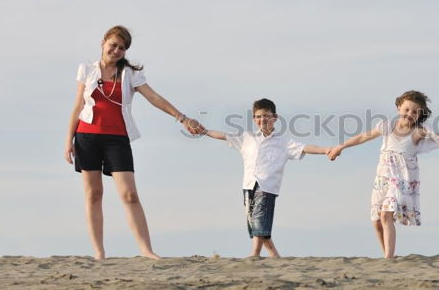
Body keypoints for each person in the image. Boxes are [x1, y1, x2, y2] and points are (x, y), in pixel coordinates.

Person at [64, 25, 201, 260]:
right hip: (87, 136)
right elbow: (78, 106)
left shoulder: (130, 74)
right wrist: (69, 140)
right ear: (103, 43)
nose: (116, 50)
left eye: (122, 48)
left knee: (129, 194)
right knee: (93, 194)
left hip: (117, 138)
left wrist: (182, 118)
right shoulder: (86, 70)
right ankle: (99, 252)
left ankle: (146, 250)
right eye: (113, 45)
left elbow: (153, 97)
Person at [328, 91, 439, 259]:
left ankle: (388, 258)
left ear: (420, 114)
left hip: (402, 179)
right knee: (377, 220)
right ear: (399, 108)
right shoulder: (387, 126)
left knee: (386, 214)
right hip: (382, 177)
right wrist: (341, 146)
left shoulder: (418, 132)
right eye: (406, 109)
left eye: (415, 112)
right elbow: (363, 137)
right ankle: (388, 254)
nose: (410, 114)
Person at [203, 98, 331, 258]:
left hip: (267, 187)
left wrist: (326, 150)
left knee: (259, 219)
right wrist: (204, 131)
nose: (262, 119)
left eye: (266, 116)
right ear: (254, 119)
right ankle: (275, 257)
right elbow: (224, 136)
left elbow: (304, 148)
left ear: (274, 117)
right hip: (248, 185)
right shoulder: (247, 137)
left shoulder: (283, 142)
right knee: (256, 225)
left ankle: (254, 254)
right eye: (258, 117)